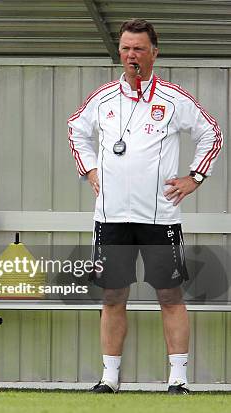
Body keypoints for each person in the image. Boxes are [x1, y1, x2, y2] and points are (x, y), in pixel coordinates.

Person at [67, 19, 223, 394]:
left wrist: (194, 178)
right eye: (125, 48)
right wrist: (89, 169)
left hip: (159, 217)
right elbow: (76, 129)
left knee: (170, 295)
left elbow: (211, 133)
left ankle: (178, 380)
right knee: (112, 295)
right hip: (111, 217)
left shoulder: (173, 98)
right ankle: (109, 378)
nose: (131, 55)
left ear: (154, 51)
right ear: (118, 52)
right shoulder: (102, 97)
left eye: (138, 48)